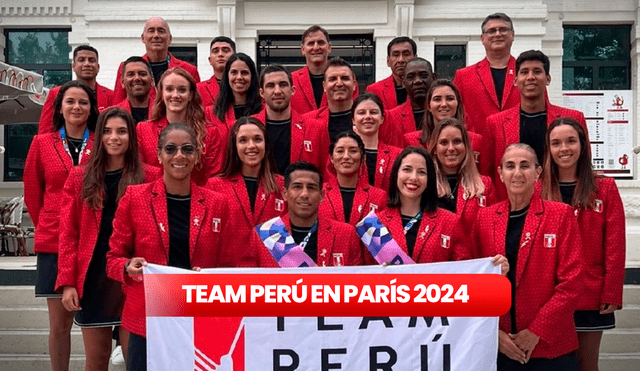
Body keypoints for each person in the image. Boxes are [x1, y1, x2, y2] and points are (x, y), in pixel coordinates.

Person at [106, 123, 229, 371]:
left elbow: (229, 263)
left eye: (187, 149)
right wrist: (129, 266)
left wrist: (212, 277)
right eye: (171, 149)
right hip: (147, 318)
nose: (179, 156)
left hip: (199, 315)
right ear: (159, 154)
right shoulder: (135, 197)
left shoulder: (218, 204)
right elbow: (113, 259)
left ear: (197, 154)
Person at [55, 108, 161, 370]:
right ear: (99, 136)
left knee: (134, 357)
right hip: (93, 276)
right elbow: (69, 234)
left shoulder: (150, 176)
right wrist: (68, 282)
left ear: (131, 137)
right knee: (98, 356)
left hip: (134, 275)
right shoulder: (80, 176)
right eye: (108, 131)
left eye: (122, 131)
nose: (115, 137)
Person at [474, 143, 583, 370]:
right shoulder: (484, 218)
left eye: (525, 166)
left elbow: (572, 282)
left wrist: (536, 331)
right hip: (500, 344)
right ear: (500, 173)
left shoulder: (560, 214)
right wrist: (495, 333)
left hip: (550, 347)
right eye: (510, 166)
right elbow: (473, 280)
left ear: (538, 173)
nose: (517, 173)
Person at [24, 80, 99, 371]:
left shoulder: (102, 142)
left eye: (83, 102)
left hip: (93, 238)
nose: (77, 107)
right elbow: (33, 192)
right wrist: (50, 218)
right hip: (55, 239)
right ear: (60, 107)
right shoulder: (41, 143)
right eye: (70, 102)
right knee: (59, 325)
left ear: (91, 108)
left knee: (91, 320)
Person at [542, 118, 625, 371]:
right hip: (550, 295)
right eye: (555, 143)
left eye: (570, 141)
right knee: (556, 364)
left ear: (583, 145)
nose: (564, 148)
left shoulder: (604, 187)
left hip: (590, 293)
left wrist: (611, 291)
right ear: (548, 149)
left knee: (586, 364)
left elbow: (615, 242)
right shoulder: (539, 190)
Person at [485, 50, 588, 200]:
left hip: (562, 201)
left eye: (537, 71)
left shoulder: (572, 118)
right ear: (515, 80)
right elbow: (488, 173)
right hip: (513, 204)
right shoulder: (495, 123)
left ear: (547, 79)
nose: (530, 77)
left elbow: (584, 162)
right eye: (524, 72)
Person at [361, 147, 469, 265]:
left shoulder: (450, 222)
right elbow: (363, 275)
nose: (413, 177)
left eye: (421, 172)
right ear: (396, 174)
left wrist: (492, 264)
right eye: (407, 170)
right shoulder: (374, 225)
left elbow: (466, 272)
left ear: (429, 179)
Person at [207, 117, 286, 267]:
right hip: (229, 277)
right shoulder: (214, 186)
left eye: (257, 139)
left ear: (266, 145)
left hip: (271, 279)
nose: (251, 146)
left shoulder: (282, 186)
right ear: (234, 146)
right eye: (243, 140)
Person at [254, 162, 363, 268]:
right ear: (285, 194)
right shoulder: (264, 235)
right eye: (297, 187)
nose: (304, 194)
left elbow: (358, 281)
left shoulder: (346, 235)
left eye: (311, 187)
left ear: (321, 195)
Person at [137, 67, 223, 184]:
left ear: (191, 95)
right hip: (153, 198)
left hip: (198, 199)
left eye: (182, 90)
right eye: (169, 89)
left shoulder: (210, 133)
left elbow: (214, 178)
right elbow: (139, 170)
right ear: (161, 93)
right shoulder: (143, 130)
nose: (175, 95)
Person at [427, 118, 494, 253]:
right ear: (434, 148)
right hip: (434, 266)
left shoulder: (485, 185)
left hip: (474, 264)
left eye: (457, 141)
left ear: (466, 146)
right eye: (444, 142)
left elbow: (495, 231)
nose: (451, 148)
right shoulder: (424, 185)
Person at [253, 64, 329, 174]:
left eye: (283, 85)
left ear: (292, 90)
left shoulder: (316, 128)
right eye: (270, 86)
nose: (277, 91)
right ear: (262, 93)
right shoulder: (248, 127)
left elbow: (326, 175)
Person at [404, 79, 490, 175]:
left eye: (450, 98)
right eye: (437, 99)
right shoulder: (411, 141)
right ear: (428, 106)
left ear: (458, 103)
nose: (444, 104)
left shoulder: (476, 140)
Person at [453, 12, 520, 134]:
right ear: (482, 38)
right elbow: (455, 115)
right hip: (478, 148)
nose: (498, 34)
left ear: (513, 35)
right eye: (491, 31)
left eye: (503, 30)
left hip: (520, 147)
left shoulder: (527, 74)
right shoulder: (464, 76)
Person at [112, 17, 200, 103]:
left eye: (161, 31)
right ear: (143, 38)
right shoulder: (127, 68)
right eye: (151, 31)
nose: (156, 35)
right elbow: (118, 106)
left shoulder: (189, 70)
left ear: (170, 39)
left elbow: (196, 105)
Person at [39, 45, 113, 134]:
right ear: (74, 66)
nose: (87, 64)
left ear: (98, 67)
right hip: (62, 146)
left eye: (91, 60)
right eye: (81, 60)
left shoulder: (111, 95)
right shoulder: (56, 93)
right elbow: (45, 129)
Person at [319, 131, 387, 226]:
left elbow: (378, 240)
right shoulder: (319, 193)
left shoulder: (379, 197)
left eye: (353, 151)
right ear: (331, 158)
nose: (346, 156)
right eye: (340, 151)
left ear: (363, 158)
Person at [351, 93, 402, 192]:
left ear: (382, 119)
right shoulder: (343, 154)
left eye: (373, 112)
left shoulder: (397, 155)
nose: (368, 116)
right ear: (353, 119)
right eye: (361, 113)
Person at [302, 57, 357, 145]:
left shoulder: (367, 118)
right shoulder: (307, 122)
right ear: (324, 86)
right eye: (332, 79)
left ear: (354, 84)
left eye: (345, 78)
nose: (339, 83)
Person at [382, 58, 436, 147]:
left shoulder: (446, 112)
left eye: (423, 75)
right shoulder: (392, 118)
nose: (418, 81)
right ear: (403, 82)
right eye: (411, 77)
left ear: (433, 78)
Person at [210, 53, 262, 131]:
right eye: (234, 72)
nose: (239, 77)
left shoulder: (264, 110)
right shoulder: (211, 113)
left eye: (244, 72)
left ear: (252, 77)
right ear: (227, 76)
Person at [366, 37, 416, 110]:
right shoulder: (374, 90)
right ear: (388, 61)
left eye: (406, 54)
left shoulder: (425, 88)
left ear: (415, 58)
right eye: (396, 55)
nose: (401, 60)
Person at [112, 57, 154, 124]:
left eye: (142, 74)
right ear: (122, 82)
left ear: (152, 81)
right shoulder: (111, 116)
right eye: (131, 74)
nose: (137, 78)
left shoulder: (164, 112)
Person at [197, 36, 236, 108]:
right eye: (215, 51)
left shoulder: (245, 86)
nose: (220, 54)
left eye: (225, 50)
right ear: (210, 60)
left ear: (235, 57)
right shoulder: (199, 89)